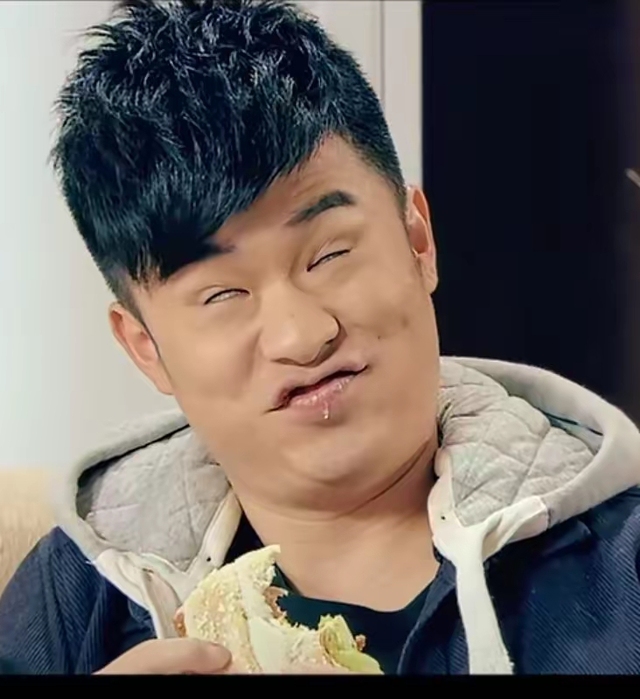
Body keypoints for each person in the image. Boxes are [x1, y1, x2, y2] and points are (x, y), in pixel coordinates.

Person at [1, 0, 640, 675]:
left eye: (329, 255)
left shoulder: (619, 565)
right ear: (145, 347)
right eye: (222, 295)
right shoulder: (78, 597)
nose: (303, 336)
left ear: (418, 240)